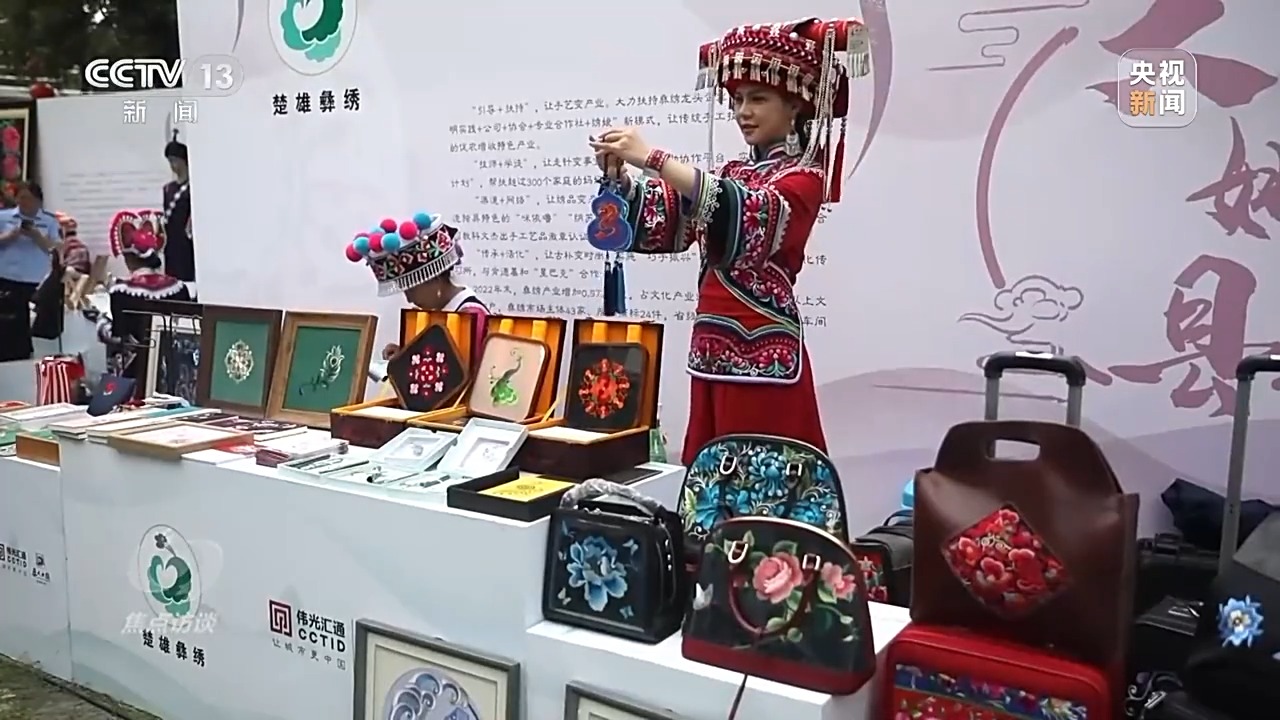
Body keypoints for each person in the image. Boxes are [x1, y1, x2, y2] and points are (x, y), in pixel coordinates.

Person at [587, 17, 869, 464]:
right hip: (710, 349)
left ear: (795, 105)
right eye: (737, 100)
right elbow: (671, 219)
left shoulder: (803, 178)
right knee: (710, 475)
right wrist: (620, 179)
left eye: (758, 98)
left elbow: (747, 216)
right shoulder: (735, 173)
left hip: (765, 357)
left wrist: (654, 158)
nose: (743, 112)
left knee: (763, 477)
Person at [342, 212, 489, 362]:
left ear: (434, 279)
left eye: (411, 289)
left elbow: (459, 372)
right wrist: (405, 354)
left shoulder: (472, 317)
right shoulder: (440, 312)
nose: (409, 298)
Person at [96, 209, 190, 386]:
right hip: (174, 374)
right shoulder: (178, 288)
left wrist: (101, 321)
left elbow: (117, 336)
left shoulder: (121, 291)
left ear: (128, 258)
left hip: (135, 377)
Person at [0, 182, 61, 361]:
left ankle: (29, 358)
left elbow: (55, 249)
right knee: (8, 328)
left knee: (33, 327)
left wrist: (36, 236)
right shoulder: (3, 217)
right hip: (7, 279)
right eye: (21, 198)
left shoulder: (49, 221)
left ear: (39, 201)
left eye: (29, 198)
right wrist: (11, 235)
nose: (25, 202)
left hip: (36, 282)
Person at [161, 130, 195, 284]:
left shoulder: (192, 188)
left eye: (175, 160)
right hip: (171, 242)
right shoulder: (168, 189)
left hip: (186, 241)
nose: (172, 165)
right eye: (170, 161)